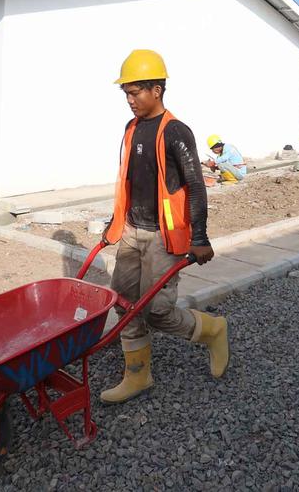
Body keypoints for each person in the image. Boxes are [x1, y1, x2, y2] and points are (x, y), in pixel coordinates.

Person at [99, 49, 229, 404]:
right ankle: (137, 376)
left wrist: (199, 237)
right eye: (126, 92)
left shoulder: (176, 131)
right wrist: (114, 223)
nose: (130, 100)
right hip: (131, 230)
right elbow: (128, 180)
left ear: (157, 90)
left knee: (156, 311)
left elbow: (196, 185)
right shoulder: (131, 129)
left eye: (136, 91)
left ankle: (213, 330)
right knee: (124, 303)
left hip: (163, 236)